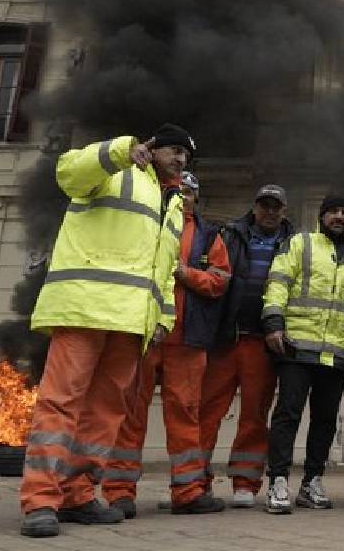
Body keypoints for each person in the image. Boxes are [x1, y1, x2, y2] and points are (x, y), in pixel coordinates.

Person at [20, 124, 194, 537]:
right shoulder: (118, 169)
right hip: (84, 309)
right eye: (174, 150)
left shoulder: (172, 204)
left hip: (131, 322)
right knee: (60, 404)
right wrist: (118, 151)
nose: (181, 160)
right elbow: (69, 172)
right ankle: (40, 501)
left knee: (106, 412)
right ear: (152, 147)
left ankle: (77, 494)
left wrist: (162, 320)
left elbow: (163, 271)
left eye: (186, 156)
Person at [102, 171, 230, 517]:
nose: (183, 196)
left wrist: (184, 273)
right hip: (143, 333)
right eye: (177, 190)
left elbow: (220, 281)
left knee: (186, 414)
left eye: (189, 192)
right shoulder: (146, 223)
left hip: (187, 339)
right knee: (129, 414)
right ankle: (119, 492)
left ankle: (188, 492)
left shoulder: (208, 234)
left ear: (197, 198)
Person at [263, 195, 344, 514]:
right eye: (333, 212)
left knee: (326, 421)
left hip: (337, 353)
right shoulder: (300, 243)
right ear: (322, 217)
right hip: (296, 347)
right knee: (288, 415)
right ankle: (277, 481)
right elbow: (278, 282)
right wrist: (273, 322)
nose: (339, 217)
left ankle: (312, 481)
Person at [199, 184, 293, 508]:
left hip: (262, 343)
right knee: (207, 412)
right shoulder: (228, 235)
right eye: (264, 205)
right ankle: (195, 482)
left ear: (285, 210)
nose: (269, 211)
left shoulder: (295, 244)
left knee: (254, 415)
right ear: (254, 207)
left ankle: (245, 481)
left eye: (275, 206)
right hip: (226, 338)